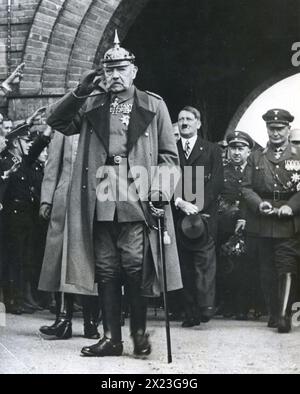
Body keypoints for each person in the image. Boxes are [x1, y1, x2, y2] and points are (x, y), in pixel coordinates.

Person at [46, 31, 182, 357]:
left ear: (134, 71)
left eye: (122, 69)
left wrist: (161, 189)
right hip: (100, 194)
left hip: (137, 193)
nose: (115, 75)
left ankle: (137, 334)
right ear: (102, 74)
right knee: (106, 267)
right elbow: (56, 120)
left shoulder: (154, 105)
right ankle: (111, 338)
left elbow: (169, 157)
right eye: (110, 70)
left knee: (134, 264)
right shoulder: (91, 103)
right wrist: (80, 89)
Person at [38, 131, 100, 340]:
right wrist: (46, 199)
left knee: (91, 260)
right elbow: (53, 164)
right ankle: (63, 320)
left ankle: (91, 322)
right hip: (65, 201)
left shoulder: (103, 120)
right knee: (61, 260)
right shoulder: (64, 128)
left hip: (94, 200)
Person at [242, 109, 300, 333]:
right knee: (266, 269)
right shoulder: (256, 157)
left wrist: (291, 206)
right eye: (271, 129)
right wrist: (258, 204)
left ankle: (284, 314)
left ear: (287, 130)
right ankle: (274, 313)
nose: (275, 133)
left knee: (286, 265)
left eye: (280, 129)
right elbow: (246, 187)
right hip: (263, 219)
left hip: (289, 220)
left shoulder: (297, 156)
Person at [174, 106, 223, 327]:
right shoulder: (171, 150)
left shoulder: (212, 150)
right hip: (178, 215)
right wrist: (179, 202)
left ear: (198, 123)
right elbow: (166, 179)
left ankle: (205, 307)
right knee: (184, 265)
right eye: (181, 119)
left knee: (204, 265)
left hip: (204, 216)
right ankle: (189, 312)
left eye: (189, 119)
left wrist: (198, 205)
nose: (184, 122)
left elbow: (216, 183)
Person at [1, 122, 53, 314]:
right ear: (16, 143)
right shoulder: (5, 161)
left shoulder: (24, 162)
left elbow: (37, 147)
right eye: (24, 140)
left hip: (26, 216)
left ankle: (22, 297)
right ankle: (12, 299)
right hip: (11, 215)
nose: (28, 144)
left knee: (25, 257)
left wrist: (48, 130)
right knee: (13, 258)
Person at [217, 131, 255, 320]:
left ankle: (250, 305)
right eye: (233, 148)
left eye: (241, 149)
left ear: (249, 151)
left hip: (253, 225)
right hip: (226, 226)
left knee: (251, 266)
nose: (236, 153)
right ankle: (228, 304)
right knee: (227, 265)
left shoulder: (256, 171)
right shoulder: (221, 172)